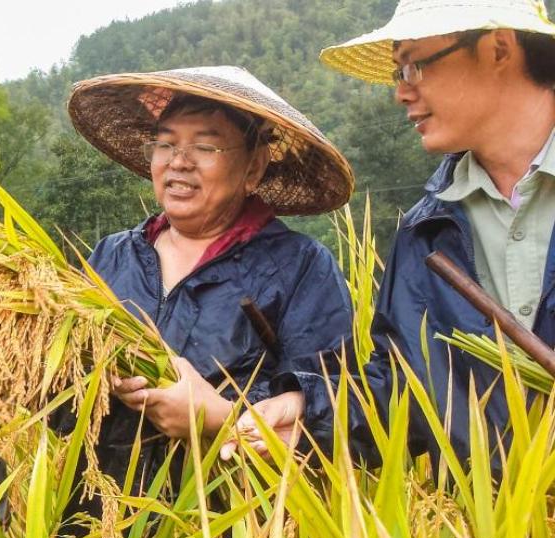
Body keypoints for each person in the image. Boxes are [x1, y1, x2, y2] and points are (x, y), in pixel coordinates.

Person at [226, 0, 555, 464]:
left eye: (414, 66)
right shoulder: (426, 232)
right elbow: (402, 392)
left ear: (498, 49)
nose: (401, 92)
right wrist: (311, 410)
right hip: (485, 532)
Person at [66, 66, 355, 485]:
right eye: (165, 144)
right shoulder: (113, 255)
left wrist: (220, 415)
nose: (179, 162)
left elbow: (330, 408)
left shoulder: (299, 267)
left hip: (228, 526)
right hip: (93, 512)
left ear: (254, 167)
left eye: (205, 146)